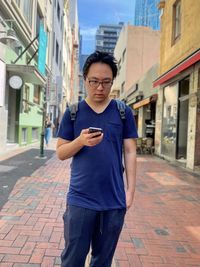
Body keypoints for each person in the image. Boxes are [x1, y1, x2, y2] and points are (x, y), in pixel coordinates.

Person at [56, 51, 138, 267]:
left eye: (106, 82)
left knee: (103, 261)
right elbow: (61, 153)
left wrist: (130, 191)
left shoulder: (123, 112)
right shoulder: (73, 112)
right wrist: (80, 141)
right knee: (72, 259)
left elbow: (130, 151)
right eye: (94, 81)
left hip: (113, 202)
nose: (99, 88)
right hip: (80, 200)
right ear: (85, 80)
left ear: (113, 81)